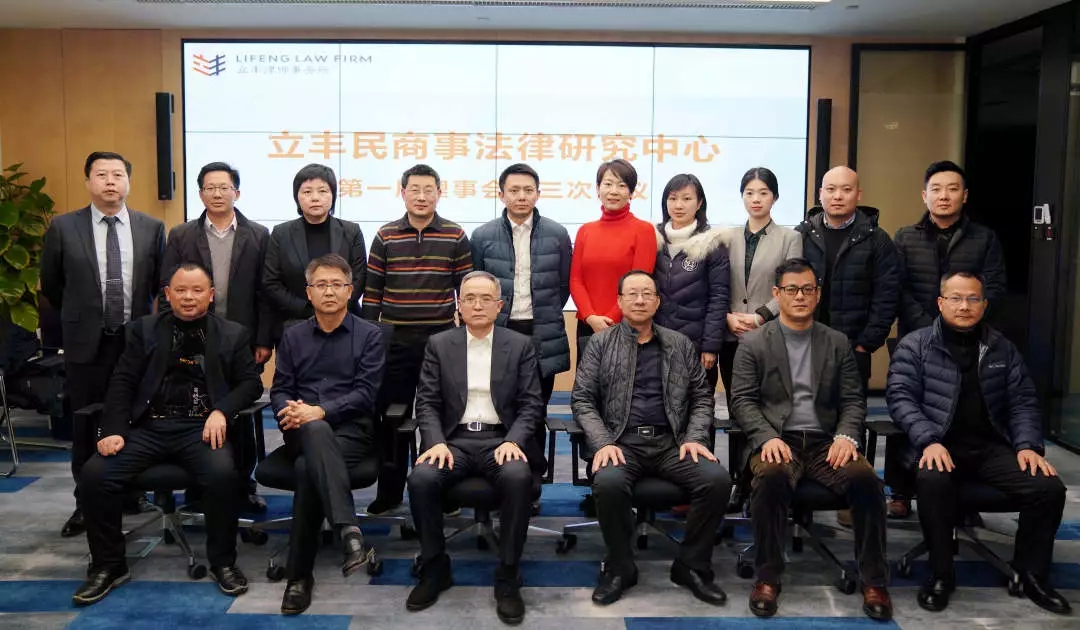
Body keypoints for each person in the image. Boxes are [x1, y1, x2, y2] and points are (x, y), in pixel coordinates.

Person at [73, 263, 263, 606]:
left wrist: (222, 410)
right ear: (168, 294)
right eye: (181, 290)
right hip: (148, 427)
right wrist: (113, 429)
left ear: (211, 295)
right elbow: (122, 382)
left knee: (223, 476)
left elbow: (251, 383)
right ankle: (108, 565)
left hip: (200, 428)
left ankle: (223, 562)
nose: (189, 297)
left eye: (197, 290)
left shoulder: (233, 334)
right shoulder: (142, 330)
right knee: (95, 475)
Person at [886, 271, 1069, 615]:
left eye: (973, 299)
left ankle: (1032, 574)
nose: (964, 306)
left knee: (1048, 488)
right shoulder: (915, 345)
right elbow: (900, 398)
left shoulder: (1002, 348)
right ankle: (941, 575)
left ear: (984, 305)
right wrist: (928, 440)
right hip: (937, 445)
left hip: (989, 447)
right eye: (955, 298)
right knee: (933, 480)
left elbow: (1022, 402)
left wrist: (1027, 446)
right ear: (940, 303)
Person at [730, 258, 891, 621]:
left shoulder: (836, 342)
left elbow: (853, 400)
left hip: (825, 442)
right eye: (791, 289)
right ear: (777, 294)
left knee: (866, 481)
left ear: (817, 295)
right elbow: (742, 400)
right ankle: (767, 577)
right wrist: (765, 437)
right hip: (779, 439)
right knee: (771, 478)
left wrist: (846, 436)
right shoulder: (754, 343)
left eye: (807, 289)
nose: (800, 296)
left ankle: (874, 580)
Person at [573, 270, 731, 607]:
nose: (640, 300)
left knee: (717, 480)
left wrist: (695, 437)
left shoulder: (680, 344)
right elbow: (582, 399)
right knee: (609, 483)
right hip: (621, 443)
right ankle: (620, 567)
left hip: (671, 444)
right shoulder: (600, 344)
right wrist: (603, 442)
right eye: (632, 294)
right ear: (619, 301)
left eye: (647, 293)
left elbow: (702, 397)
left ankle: (691, 565)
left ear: (658, 302)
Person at [405, 271, 544, 625]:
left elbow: (531, 404)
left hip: (501, 439)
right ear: (459, 305)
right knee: (421, 479)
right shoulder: (439, 344)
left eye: (485, 299)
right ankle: (435, 566)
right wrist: (435, 442)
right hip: (454, 441)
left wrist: (514, 440)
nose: (477, 305)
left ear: (499, 306)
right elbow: (427, 402)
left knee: (518, 477)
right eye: (469, 298)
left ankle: (508, 574)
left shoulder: (520, 345)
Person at [41, 151, 166, 538]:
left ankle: (130, 493)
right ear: (88, 181)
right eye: (101, 175)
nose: (110, 181)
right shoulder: (64, 227)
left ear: (128, 181)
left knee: (137, 417)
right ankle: (86, 503)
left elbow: (157, 286)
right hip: (87, 343)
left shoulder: (151, 228)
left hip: (135, 342)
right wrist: (83, 318)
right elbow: (53, 285)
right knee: (86, 423)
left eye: (117, 175)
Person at [885, 160, 1008, 519]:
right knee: (907, 408)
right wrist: (929, 327)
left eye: (952, 189)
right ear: (924, 195)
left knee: (962, 412)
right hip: (915, 340)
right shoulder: (905, 237)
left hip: (969, 340)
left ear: (964, 195)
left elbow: (994, 286)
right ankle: (901, 490)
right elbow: (897, 288)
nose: (944, 196)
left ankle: (962, 489)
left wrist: (961, 319)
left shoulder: (983, 238)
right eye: (936, 189)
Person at [270, 254, 385, 615]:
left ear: (350, 291)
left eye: (337, 284)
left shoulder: (370, 335)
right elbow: (280, 388)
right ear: (309, 292)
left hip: (351, 432)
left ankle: (299, 578)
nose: (330, 291)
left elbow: (366, 393)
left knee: (308, 469)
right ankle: (348, 530)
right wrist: (289, 410)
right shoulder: (293, 335)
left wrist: (319, 411)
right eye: (321, 285)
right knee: (313, 433)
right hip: (299, 430)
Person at [161, 161, 271, 512]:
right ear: (200, 194)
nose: (218, 193)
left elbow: (264, 293)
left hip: (241, 340)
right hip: (191, 337)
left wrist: (263, 340)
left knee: (240, 412)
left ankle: (244, 485)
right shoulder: (181, 235)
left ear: (236, 192)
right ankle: (197, 487)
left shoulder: (258, 235)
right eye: (210, 187)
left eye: (224, 187)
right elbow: (167, 287)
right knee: (196, 407)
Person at [362, 163, 473, 514]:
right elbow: (372, 294)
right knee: (392, 417)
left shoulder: (455, 235)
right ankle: (390, 492)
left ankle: (442, 490)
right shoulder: (385, 235)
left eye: (429, 190)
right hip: (395, 341)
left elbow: (466, 292)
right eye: (415, 189)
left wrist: (463, 338)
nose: (422, 196)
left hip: (442, 341)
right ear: (403, 192)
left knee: (441, 416)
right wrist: (371, 341)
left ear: (439, 193)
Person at [471, 163, 573, 477]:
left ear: (538, 194)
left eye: (528, 190)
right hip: (500, 333)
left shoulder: (557, 234)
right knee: (499, 406)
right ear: (501, 194)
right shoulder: (482, 236)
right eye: (514, 190)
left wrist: (543, 313)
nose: (521, 196)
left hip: (542, 334)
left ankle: (533, 478)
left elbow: (563, 285)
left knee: (535, 407)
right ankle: (500, 473)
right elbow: (475, 283)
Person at [721, 167, 802, 513]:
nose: (756, 199)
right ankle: (737, 481)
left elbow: (792, 284)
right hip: (730, 335)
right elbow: (718, 284)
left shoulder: (789, 238)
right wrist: (727, 316)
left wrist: (760, 316)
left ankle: (759, 479)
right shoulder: (726, 237)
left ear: (775, 197)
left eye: (763, 192)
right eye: (750, 193)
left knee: (767, 408)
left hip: (770, 334)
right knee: (737, 409)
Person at [796, 166, 899, 391]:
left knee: (849, 409)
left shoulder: (877, 239)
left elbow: (887, 296)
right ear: (820, 193)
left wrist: (865, 344)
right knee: (802, 407)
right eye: (831, 189)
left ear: (858, 194)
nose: (838, 196)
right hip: (804, 344)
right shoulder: (801, 235)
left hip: (853, 348)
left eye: (846, 189)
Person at [263, 163, 367, 334]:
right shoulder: (281, 233)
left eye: (323, 191)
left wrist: (335, 308)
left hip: (345, 323)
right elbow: (271, 282)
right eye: (307, 192)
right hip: (296, 323)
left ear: (333, 195)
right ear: (297, 197)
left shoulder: (351, 231)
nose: (315, 198)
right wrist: (307, 310)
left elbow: (359, 277)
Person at [569, 159, 656, 360]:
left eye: (622, 185)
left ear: (631, 193)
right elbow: (575, 280)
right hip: (588, 324)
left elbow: (640, 283)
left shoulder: (643, 230)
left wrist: (610, 319)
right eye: (607, 184)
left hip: (628, 322)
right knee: (587, 379)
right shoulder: (585, 231)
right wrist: (591, 317)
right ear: (597, 189)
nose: (613, 191)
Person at [653, 173, 730, 393]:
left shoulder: (712, 243)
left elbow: (719, 298)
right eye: (673, 198)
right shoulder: (652, 238)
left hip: (696, 344)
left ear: (699, 203)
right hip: (656, 341)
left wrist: (710, 346)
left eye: (687, 199)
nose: (679, 205)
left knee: (697, 402)